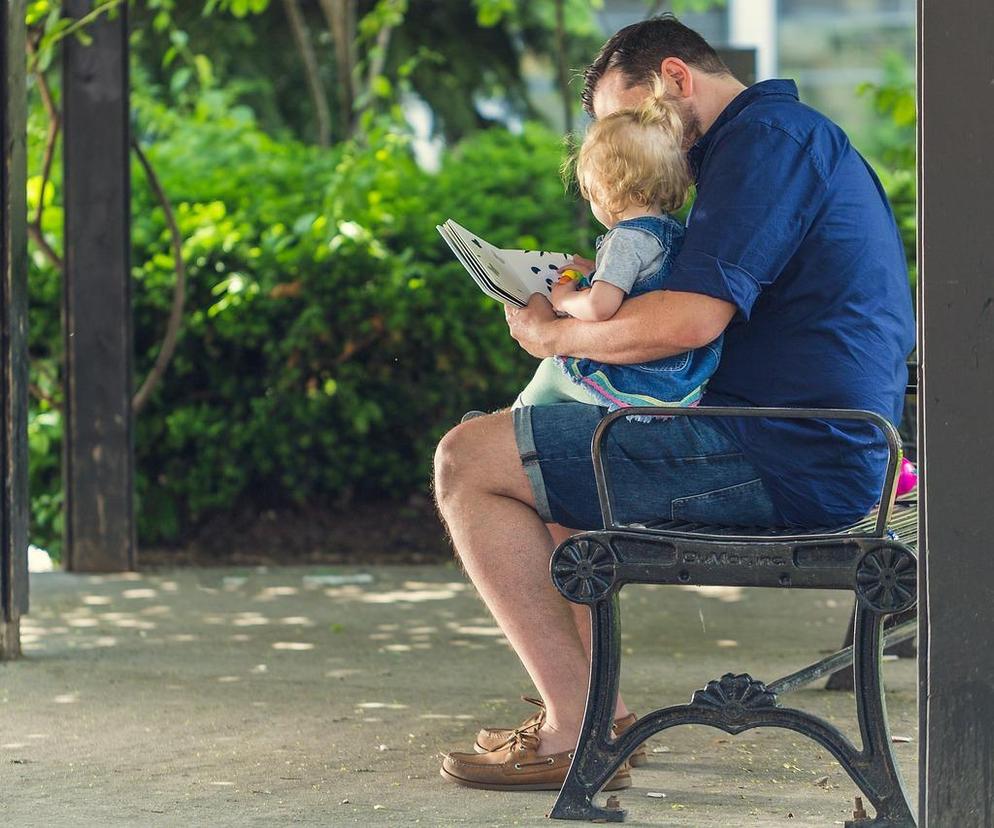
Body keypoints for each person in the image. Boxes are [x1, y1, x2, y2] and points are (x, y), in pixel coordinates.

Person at [434, 15, 915, 792]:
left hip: (786, 455)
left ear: (675, 79)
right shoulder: (767, 142)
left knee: (466, 459)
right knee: (545, 457)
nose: (633, 143)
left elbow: (689, 322)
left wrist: (552, 337)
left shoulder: (766, 145)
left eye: (631, 117)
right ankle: (601, 719)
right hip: (800, 441)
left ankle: (569, 730)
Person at [516, 88, 721, 413]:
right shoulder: (671, 232)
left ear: (606, 189)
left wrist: (565, 298)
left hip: (645, 382)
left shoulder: (624, 240)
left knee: (554, 371)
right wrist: (593, 274)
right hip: (682, 378)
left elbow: (601, 307)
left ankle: (508, 425)